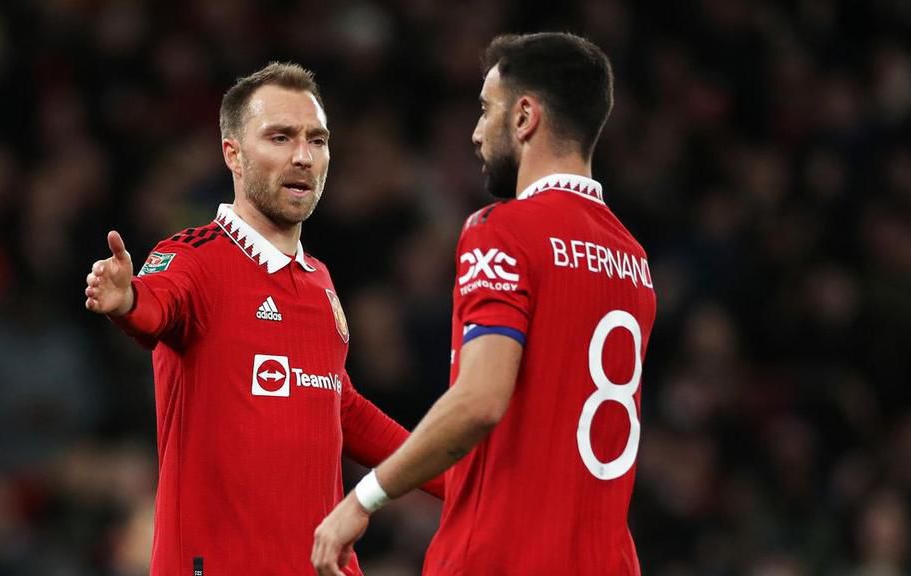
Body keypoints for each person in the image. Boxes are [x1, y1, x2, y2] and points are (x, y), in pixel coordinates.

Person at [312, 32, 657, 575]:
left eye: (484, 110)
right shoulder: (632, 260)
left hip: (499, 557)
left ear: (524, 117)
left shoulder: (504, 231)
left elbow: (480, 400)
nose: (475, 133)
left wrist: (363, 499)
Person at [84, 62, 442, 576]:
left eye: (316, 140)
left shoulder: (319, 281)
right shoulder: (193, 257)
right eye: (280, 137)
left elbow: (342, 410)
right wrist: (127, 302)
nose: (302, 156)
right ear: (233, 153)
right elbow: (157, 307)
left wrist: (458, 479)